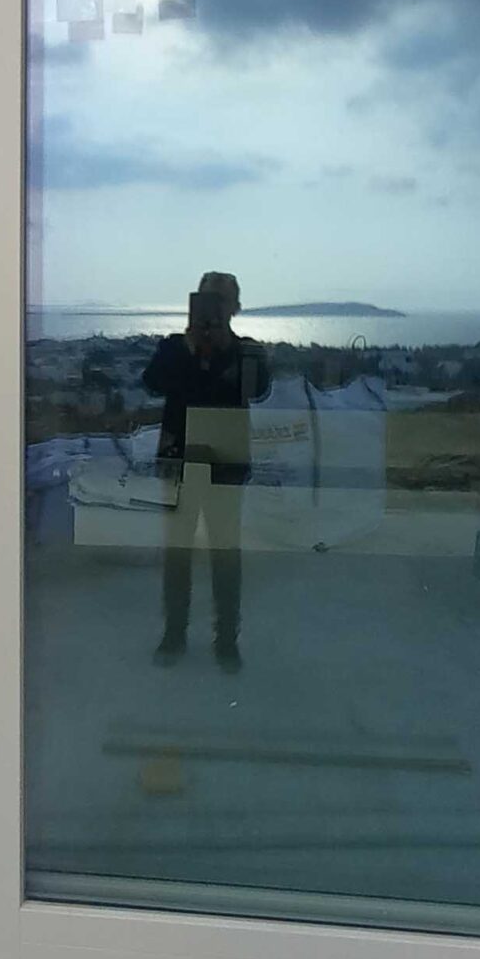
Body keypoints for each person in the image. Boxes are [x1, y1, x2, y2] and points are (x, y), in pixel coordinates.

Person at [141, 271, 271, 672]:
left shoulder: (247, 352)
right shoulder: (173, 347)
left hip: (225, 462)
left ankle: (227, 639)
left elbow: (259, 390)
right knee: (177, 552)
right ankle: (174, 634)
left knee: (225, 554)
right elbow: (152, 382)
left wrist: (227, 349)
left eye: (222, 300)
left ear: (236, 308)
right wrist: (188, 347)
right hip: (180, 459)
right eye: (208, 300)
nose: (215, 308)